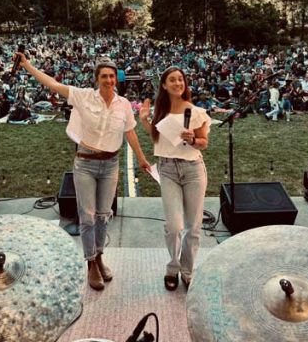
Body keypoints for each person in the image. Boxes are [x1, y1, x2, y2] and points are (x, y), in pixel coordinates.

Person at [15, 51, 151, 291]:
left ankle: (99, 256)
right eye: (104, 76)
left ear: (116, 79)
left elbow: (130, 132)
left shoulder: (123, 105)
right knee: (87, 216)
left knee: (102, 215)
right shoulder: (83, 96)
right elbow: (53, 84)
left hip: (110, 165)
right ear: (97, 79)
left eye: (112, 76)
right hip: (86, 163)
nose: (109, 80)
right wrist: (27, 65)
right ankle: (90, 264)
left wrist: (141, 158)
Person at [138, 66, 211, 292]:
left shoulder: (195, 111)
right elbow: (158, 139)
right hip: (168, 169)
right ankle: (173, 267)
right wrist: (143, 121)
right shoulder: (161, 111)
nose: (178, 83)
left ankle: (187, 271)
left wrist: (192, 140)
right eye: (172, 80)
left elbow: (204, 143)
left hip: (193, 170)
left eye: (181, 79)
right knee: (173, 226)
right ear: (164, 85)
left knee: (194, 226)